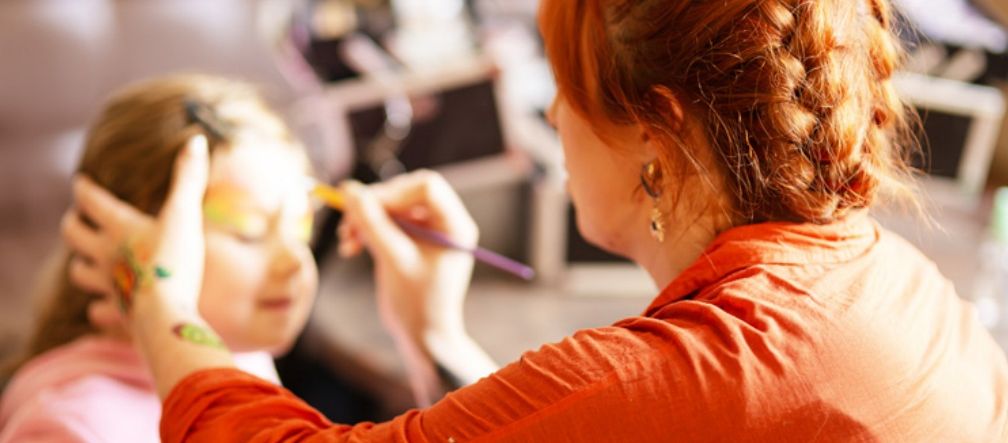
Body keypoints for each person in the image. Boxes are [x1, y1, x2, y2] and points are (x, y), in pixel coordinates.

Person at [66, 0, 1008, 441]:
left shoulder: (707, 368)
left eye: (562, 90)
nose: (553, 117)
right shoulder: (890, 282)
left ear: (655, 128)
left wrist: (163, 296)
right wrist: (438, 335)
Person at [0, 75, 320, 442]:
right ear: (128, 240)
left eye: (302, 228)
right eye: (247, 230)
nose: (295, 261)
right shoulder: (70, 427)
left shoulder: (244, 362)